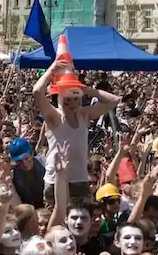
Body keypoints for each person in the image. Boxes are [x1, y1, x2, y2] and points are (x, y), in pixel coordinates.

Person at [33, 59, 121, 203]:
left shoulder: (84, 115)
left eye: (75, 99)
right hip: (55, 179)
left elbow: (115, 101)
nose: (72, 104)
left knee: (81, 221)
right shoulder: (54, 117)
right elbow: (37, 91)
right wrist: (52, 69)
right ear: (60, 99)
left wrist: (87, 90)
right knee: (57, 222)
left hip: (80, 180)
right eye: (67, 100)